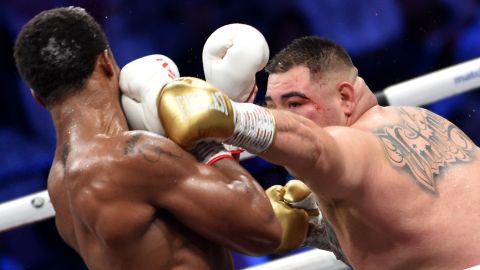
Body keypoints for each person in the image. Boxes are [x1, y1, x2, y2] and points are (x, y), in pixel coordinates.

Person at [152, 36, 480, 269]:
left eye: (296, 104)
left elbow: (315, 148)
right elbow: (417, 238)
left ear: (346, 98)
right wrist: (320, 230)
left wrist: (232, 117)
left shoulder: (354, 146)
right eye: (272, 108)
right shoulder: (421, 120)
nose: (286, 117)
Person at [13, 6, 284, 270]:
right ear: (106, 62)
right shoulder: (131, 156)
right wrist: (200, 137)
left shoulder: (59, 186)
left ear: (37, 97)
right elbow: (264, 229)